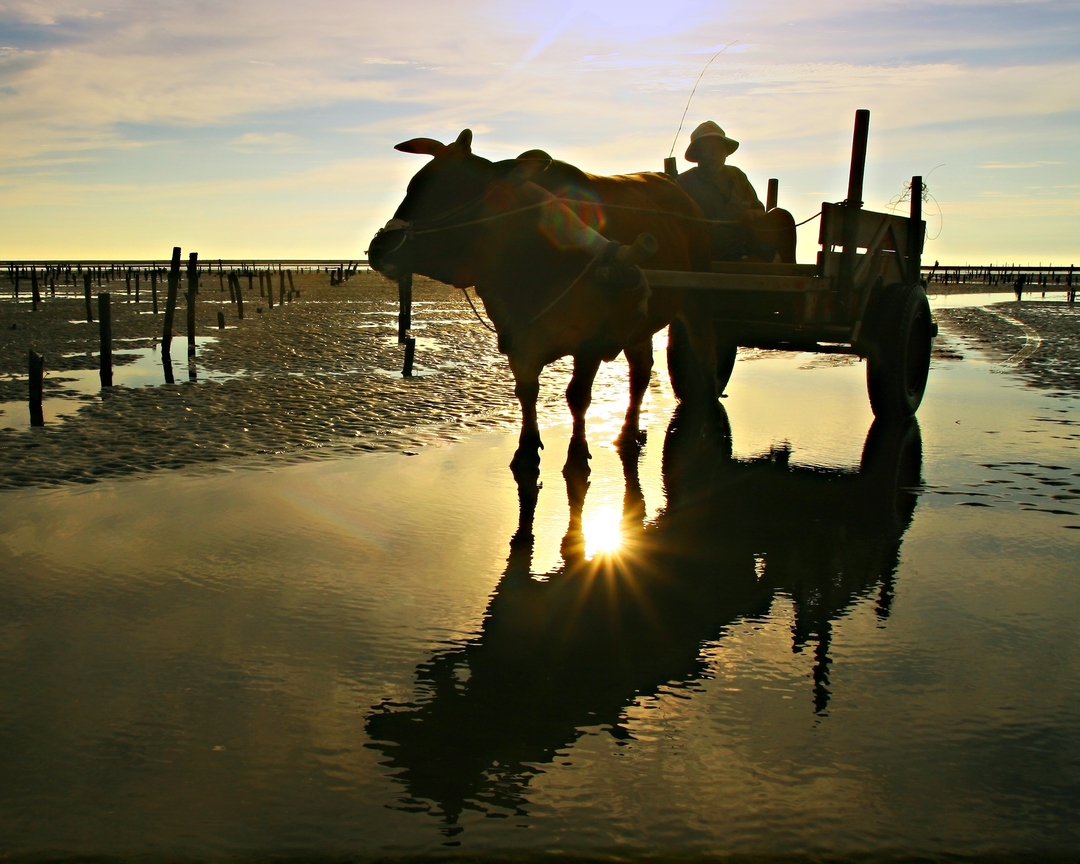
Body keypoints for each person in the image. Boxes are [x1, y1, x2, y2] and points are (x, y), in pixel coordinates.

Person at [676, 121, 794, 263]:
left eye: (718, 148)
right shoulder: (684, 183)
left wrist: (752, 214)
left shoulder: (737, 175)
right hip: (711, 255)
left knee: (782, 216)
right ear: (698, 154)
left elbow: (759, 209)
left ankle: (791, 270)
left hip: (748, 246)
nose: (714, 154)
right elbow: (679, 226)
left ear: (725, 152)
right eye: (708, 149)